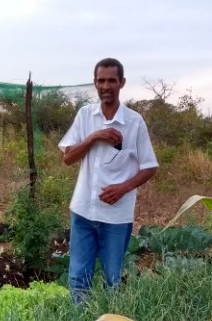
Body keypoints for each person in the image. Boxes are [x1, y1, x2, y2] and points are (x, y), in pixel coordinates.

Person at [58, 57, 158, 304]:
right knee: (79, 279)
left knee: (112, 280)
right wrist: (94, 137)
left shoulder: (134, 122)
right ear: (94, 83)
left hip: (116, 217)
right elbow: (68, 158)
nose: (106, 86)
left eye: (111, 80)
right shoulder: (85, 116)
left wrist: (123, 188)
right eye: (101, 81)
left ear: (121, 83)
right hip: (83, 212)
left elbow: (149, 167)